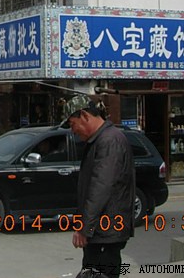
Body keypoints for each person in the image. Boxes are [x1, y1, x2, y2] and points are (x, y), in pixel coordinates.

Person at [62, 97, 134, 278]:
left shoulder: (109, 140)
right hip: (100, 231)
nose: (73, 131)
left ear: (85, 116)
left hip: (106, 231)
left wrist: (84, 227)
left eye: (72, 124)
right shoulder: (100, 139)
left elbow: (101, 187)